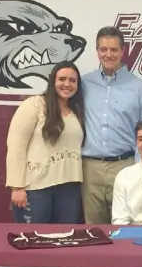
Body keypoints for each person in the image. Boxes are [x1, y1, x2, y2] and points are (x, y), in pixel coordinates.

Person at [81, 26, 142, 224]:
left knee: (126, 227)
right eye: (103, 49)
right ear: (97, 52)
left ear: (123, 51)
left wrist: (140, 170)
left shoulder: (139, 88)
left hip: (125, 166)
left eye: (113, 50)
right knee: (94, 230)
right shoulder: (83, 84)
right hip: (89, 168)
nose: (108, 54)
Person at [6, 61, 85, 224]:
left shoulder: (77, 111)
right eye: (62, 79)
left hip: (69, 189)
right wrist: (17, 187)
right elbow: (16, 147)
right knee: (32, 242)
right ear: (53, 81)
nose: (67, 84)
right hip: (35, 189)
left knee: (64, 240)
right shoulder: (34, 105)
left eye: (72, 80)